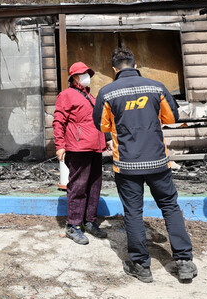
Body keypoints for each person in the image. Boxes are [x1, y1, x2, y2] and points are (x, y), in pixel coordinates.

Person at [93, 47, 197, 284]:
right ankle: (184, 262)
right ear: (135, 63)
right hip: (158, 162)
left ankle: (141, 266)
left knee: (133, 212)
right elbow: (172, 118)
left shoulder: (107, 92)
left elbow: (102, 126)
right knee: (170, 207)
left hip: (127, 164)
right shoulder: (156, 87)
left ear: (113, 69)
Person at [54, 61, 108, 245]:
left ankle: (90, 221)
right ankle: (73, 226)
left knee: (94, 185)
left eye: (88, 73)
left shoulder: (90, 97)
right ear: (74, 78)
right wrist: (60, 145)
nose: (87, 77)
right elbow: (58, 121)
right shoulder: (66, 95)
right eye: (83, 74)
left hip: (95, 147)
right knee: (78, 186)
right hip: (78, 148)